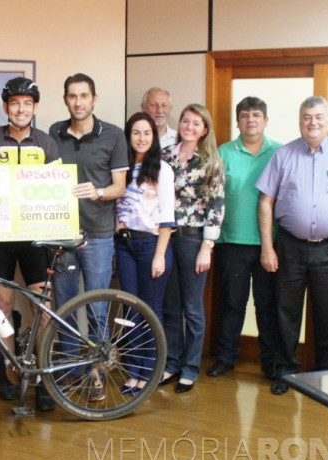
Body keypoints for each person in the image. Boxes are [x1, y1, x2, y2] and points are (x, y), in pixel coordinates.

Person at [257, 96, 328, 395]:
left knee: (327, 311)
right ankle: (285, 370)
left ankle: (324, 374)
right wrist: (267, 247)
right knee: (286, 311)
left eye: (318, 116)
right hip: (289, 246)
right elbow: (265, 202)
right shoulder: (283, 155)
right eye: (307, 117)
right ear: (300, 121)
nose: (313, 122)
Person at [0, 77, 60, 409]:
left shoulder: (47, 142)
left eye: (27, 103)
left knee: (44, 306)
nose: (21, 109)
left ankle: (43, 375)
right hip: (0, 234)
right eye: (14, 103)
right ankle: (13, 371)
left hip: (36, 234)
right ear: (6, 107)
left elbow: (58, 190)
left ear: (35, 108)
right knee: (2, 302)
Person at [48, 73, 129, 402]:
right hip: (61, 235)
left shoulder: (113, 136)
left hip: (97, 235)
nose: (78, 102)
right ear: (65, 99)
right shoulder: (53, 132)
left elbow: (119, 187)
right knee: (64, 308)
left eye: (84, 96)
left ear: (94, 99)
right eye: (72, 96)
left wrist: (97, 192)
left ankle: (95, 373)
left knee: (96, 309)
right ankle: (70, 372)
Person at [209, 96, 281, 379]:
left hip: (268, 245)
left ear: (265, 120)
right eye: (245, 115)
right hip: (232, 243)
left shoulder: (280, 152)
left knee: (267, 307)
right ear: (238, 121)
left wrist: (272, 245)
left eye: (256, 115)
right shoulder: (223, 152)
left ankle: (270, 362)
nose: (251, 120)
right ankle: (226, 357)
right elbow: (213, 197)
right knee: (232, 305)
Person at [158, 104, 224, 394]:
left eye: (197, 123)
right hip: (165, 237)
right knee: (170, 305)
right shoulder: (164, 157)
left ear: (205, 129)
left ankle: (190, 367)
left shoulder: (211, 161)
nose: (190, 127)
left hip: (194, 239)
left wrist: (207, 246)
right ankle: (172, 362)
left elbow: (217, 206)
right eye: (186, 121)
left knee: (192, 307)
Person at [115, 112, 175, 395]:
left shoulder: (162, 169)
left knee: (151, 310)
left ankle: (149, 372)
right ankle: (134, 371)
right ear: (129, 136)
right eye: (136, 132)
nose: (141, 138)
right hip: (125, 245)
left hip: (152, 245)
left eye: (147, 133)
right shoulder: (121, 168)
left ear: (154, 137)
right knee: (130, 309)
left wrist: (160, 255)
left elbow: (167, 216)